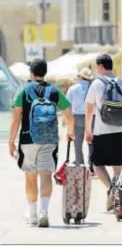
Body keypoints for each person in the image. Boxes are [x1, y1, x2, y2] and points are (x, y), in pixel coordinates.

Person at [8, 59, 74, 227]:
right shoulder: (54, 90)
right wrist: (70, 131)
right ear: (45, 72)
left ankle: (33, 214)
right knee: (45, 174)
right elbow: (68, 111)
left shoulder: (23, 90)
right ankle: (44, 211)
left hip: (27, 139)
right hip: (49, 140)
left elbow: (16, 119)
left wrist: (11, 141)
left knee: (30, 177)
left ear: (31, 72)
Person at [84, 54, 122, 211]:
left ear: (100, 66)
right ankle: (116, 192)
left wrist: (88, 130)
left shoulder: (96, 84)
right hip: (120, 130)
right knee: (118, 167)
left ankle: (111, 188)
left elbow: (89, 108)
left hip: (101, 131)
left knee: (97, 165)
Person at [66, 67, 93, 164]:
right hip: (91, 117)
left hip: (76, 118)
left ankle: (80, 164)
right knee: (91, 143)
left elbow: (67, 107)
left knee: (77, 144)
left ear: (80, 77)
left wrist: (66, 123)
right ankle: (92, 167)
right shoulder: (93, 87)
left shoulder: (72, 89)